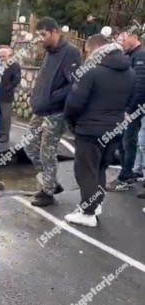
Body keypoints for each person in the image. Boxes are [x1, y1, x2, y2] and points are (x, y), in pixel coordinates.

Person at [63, 34, 135, 227]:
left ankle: (87, 213)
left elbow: (74, 104)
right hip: (116, 129)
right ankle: (96, 204)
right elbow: (130, 101)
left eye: (86, 51)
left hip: (90, 130)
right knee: (100, 168)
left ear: (94, 48)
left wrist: (71, 122)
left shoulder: (91, 71)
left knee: (86, 170)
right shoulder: (130, 72)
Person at [23, 17, 82, 207]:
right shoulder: (49, 52)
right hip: (40, 110)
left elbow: (75, 83)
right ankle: (51, 182)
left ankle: (47, 192)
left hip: (55, 112)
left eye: (44, 34)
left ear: (55, 32)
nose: (40, 39)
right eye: (38, 35)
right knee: (29, 146)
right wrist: (36, 97)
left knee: (47, 152)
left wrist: (51, 97)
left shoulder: (70, 53)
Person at [107, 26, 145, 192]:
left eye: (123, 39)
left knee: (128, 142)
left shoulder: (141, 56)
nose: (121, 43)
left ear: (133, 37)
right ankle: (126, 173)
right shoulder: (130, 56)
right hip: (126, 107)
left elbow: (140, 86)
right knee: (124, 143)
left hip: (133, 109)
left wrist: (130, 110)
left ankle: (126, 177)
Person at [0, 47, 21, 143]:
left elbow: (16, 80)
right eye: (1, 57)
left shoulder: (14, 66)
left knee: (5, 116)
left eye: (3, 56)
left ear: (9, 56)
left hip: (7, 96)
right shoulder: (0, 66)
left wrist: (8, 89)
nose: (2, 58)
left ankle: (4, 135)